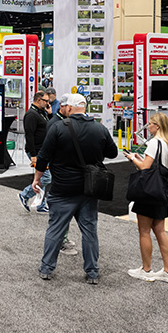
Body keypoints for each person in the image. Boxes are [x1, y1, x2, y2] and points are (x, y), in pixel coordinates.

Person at [33, 94, 118, 284]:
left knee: (55, 229)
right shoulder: (99, 129)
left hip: (62, 189)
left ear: (69, 109)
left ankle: (47, 269)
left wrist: (37, 179)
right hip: (89, 190)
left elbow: (43, 157)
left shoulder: (57, 128)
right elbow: (113, 153)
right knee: (89, 231)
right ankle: (92, 273)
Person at [122, 113, 168, 284]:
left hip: (148, 191)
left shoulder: (153, 143)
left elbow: (145, 167)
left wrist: (133, 158)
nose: (148, 127)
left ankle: (146, 270)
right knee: (160, 230)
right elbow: (156, 166)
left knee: (144, 231)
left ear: (158, 126)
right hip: (162, 190)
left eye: (151, 124)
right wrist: (141, 160)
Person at [18, 91, 52, 214]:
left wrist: (50, 114)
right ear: (38, 100)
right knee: (47, 177)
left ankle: (41, 204)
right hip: (36, 152)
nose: (48, 103)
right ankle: (25, 194)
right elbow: (30, 136)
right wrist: (33, 156)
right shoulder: (31, 115)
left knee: (43, 176)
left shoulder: (41, 112)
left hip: (43, 150)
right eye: (46, 101)